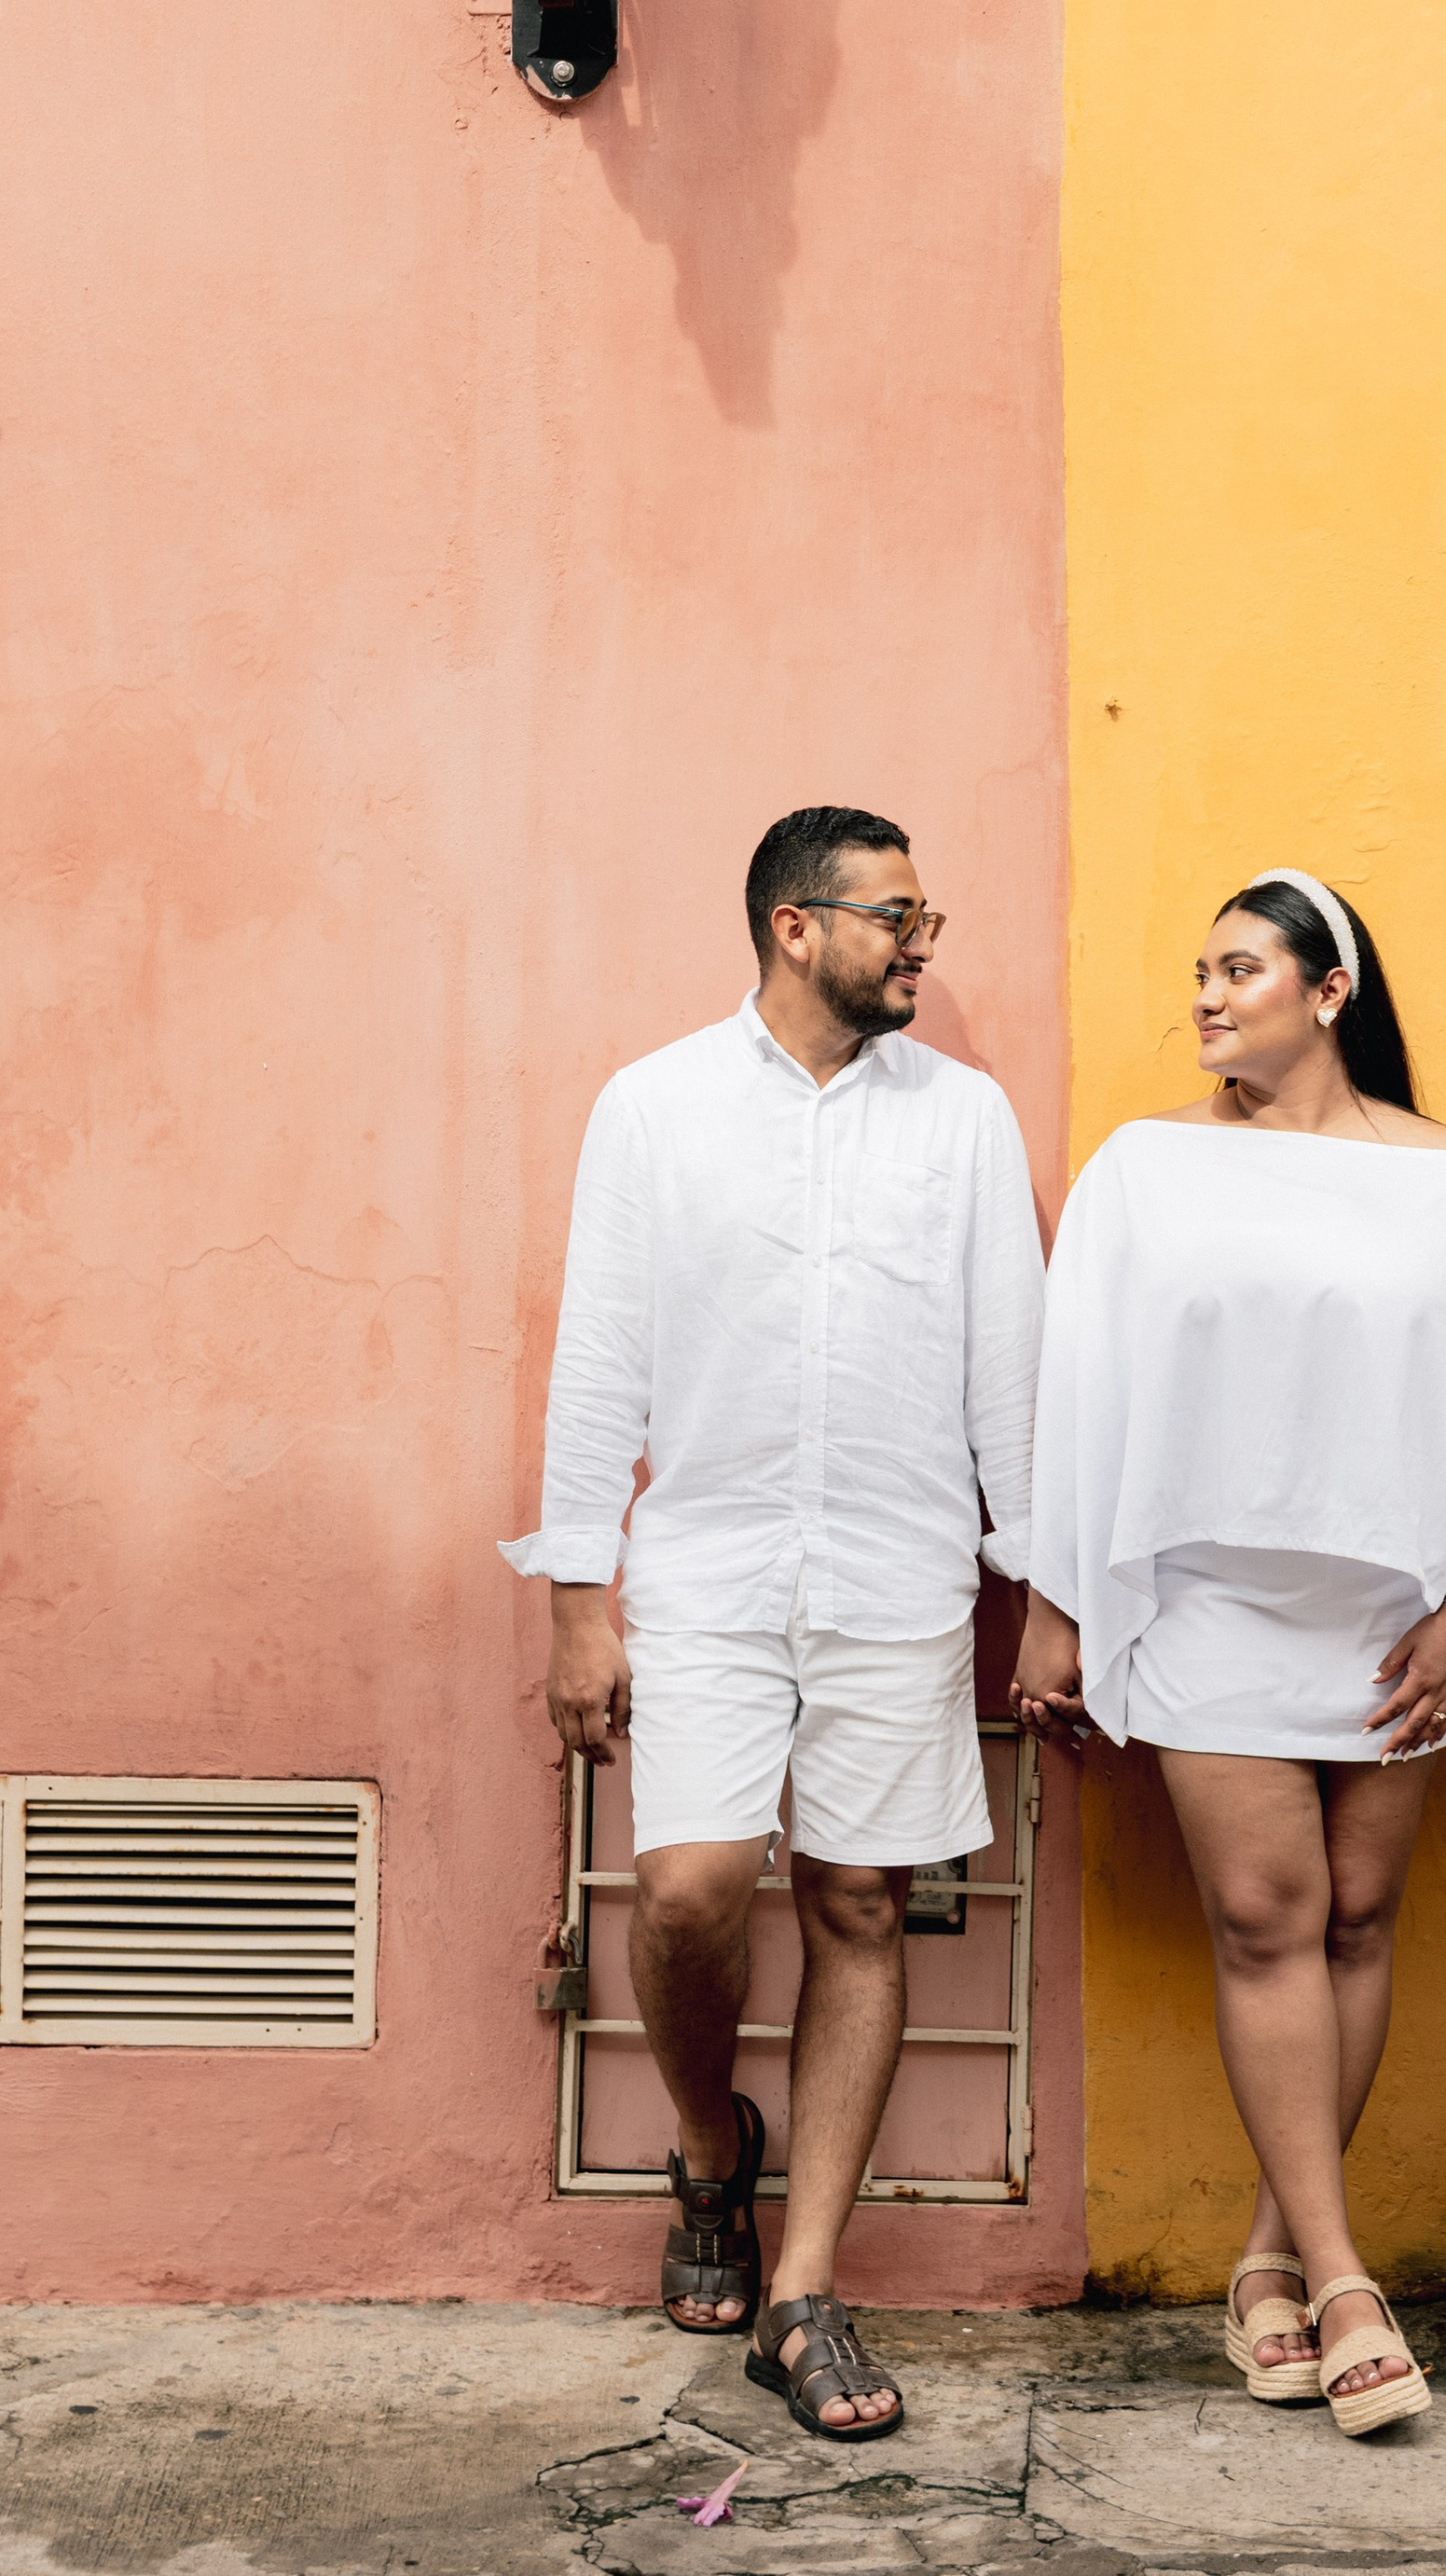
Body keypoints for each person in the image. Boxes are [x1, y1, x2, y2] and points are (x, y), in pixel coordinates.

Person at [1013, 868, 1446, 2440]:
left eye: (1243, 968)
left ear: (1329, 991)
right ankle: (1346, 2281)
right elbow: (1076, 1388)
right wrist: (1055, 1602)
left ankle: (1269, 2263)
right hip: (1207, 1598)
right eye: (1198, 972)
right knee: (1272, 1916)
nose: (1208, 997)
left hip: (1398, 1616)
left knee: (1356, 1921)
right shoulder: (1147, 1170)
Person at [503, 806, 1050, 2445]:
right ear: (796, 928)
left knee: (863, 1906)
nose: (923, 940)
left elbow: (1011, 1376)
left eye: (925, 911)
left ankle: (804, 2293)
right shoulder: (654, 1107)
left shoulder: (964, 1120)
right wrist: (578, 1601)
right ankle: (707, 2151)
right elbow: (599, 1358)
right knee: (685, 1893)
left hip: (896, 1576)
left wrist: (1047, 1594)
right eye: (896, 914)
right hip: (711, 1574)